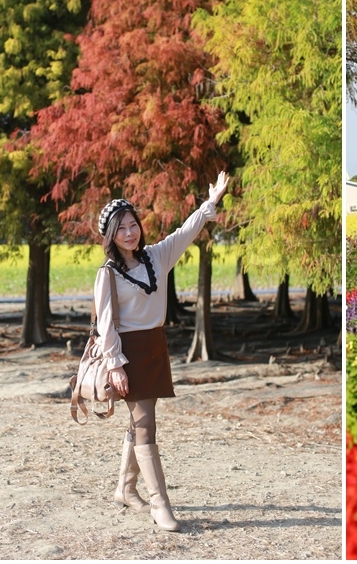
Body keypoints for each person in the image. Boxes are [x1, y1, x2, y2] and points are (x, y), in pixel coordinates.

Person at [94, 171, 229, 532]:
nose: (129, 232)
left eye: (132, 224)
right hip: (127, 352)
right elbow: (106, 323)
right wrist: (115, 365)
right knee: (146, 428)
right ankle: (160, 504)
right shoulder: (107, 274)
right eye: (120, 228)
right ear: (110, 236)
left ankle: (124, 487)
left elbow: (185, 232)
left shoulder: (156, 257)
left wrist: (210, 202)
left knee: (139, 423)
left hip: (155, 347)